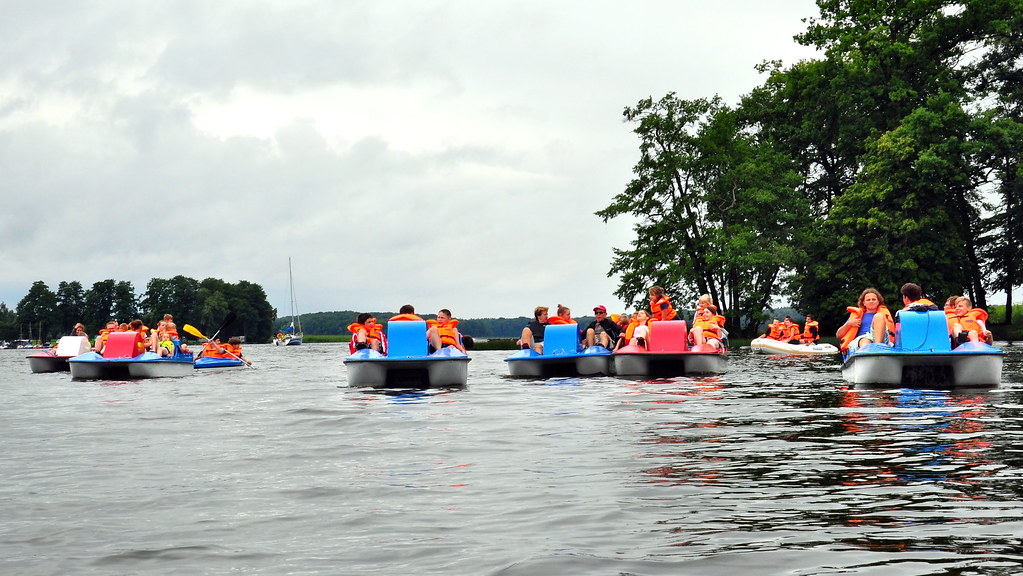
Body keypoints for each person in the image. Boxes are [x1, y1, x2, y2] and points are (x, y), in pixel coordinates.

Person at [837, 287, 895, 354]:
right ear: (864, 303)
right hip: (861, 341)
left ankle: (877, 348)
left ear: (878, 302)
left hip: (882, 341)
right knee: (865, 340)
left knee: (879, 316)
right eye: (868, 300)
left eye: (874, 299)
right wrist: (849, 324)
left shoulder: (883, 315)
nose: (871, 301)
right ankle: (867, 354)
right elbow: (839, 335)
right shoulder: (857, 317)